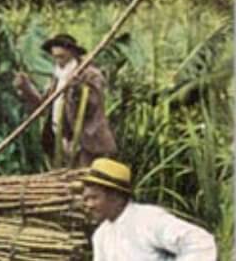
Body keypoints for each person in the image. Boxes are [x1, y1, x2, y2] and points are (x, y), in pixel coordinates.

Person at [81, 158, 216, 260]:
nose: (89, 205)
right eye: (86, 199)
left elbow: (201, 241)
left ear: (116, 196)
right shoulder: (101, 235)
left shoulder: (147, 219)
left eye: (94, 198)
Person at [13, 34, 117, 167]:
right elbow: (43, 107)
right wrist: (26, 87)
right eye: (55, 57)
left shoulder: (90, 74)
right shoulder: (57, 77)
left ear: (72, 53)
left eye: (61, 57)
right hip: (60, 139)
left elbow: (93, 104)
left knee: (85, 180)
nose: (58, 61)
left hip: (87, 140)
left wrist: (76, 87)